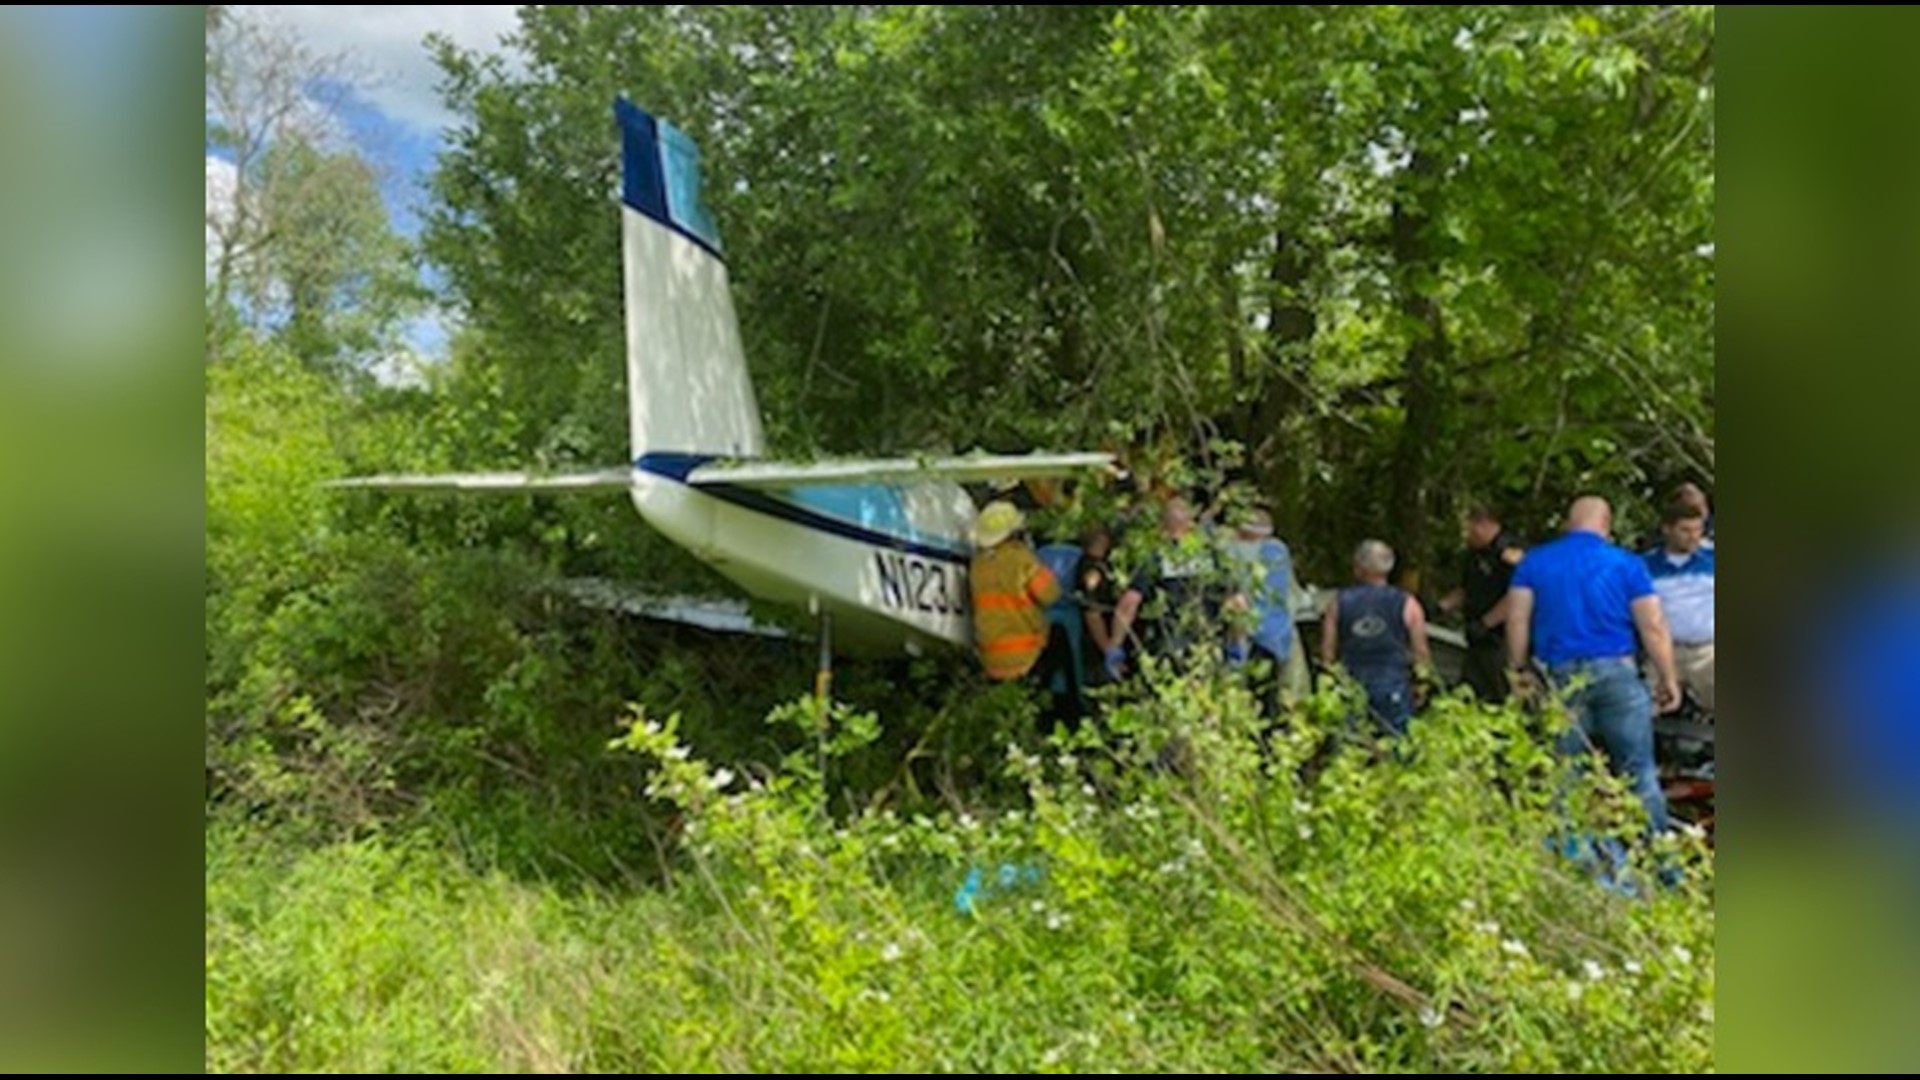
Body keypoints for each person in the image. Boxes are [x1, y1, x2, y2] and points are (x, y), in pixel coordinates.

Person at [1506, 495, 1680, 837]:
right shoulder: (1628, 565)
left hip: (1561, 677)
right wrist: (1668, 677)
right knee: (1638, 771)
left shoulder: (1534, 563)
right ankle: (1659, 861)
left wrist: (1517, 669)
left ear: (1570, 523)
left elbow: (1516, 620)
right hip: (1618, 671)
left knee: (1565, 771)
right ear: (1607, 525)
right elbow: (1653, 626)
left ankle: (1574, 857)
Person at [1319, 540, 1433, 737]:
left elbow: (1327, 650)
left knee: (1352, 747)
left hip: (1352, 683)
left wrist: (1330, 680)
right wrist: (1422, 683)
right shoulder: (1408, 603)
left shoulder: (1338, 602)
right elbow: (1420, 651)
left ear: (1359, 568)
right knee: (1398, 747)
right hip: (1393, 685)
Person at [1106, 495, 1219, 679]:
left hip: (1165, 646)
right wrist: (1236, 646)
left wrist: (1115, 644)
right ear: (1191, 524)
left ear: (1162, 526)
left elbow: (1129, 603)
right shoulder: (1210, 557)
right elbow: (1237, 602)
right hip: (1205, 647)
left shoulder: (1156, 557)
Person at [968, 501, 1063, 685]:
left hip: (991, 659)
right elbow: (1050, 595)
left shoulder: (978, 564)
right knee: (1060, 637)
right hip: (1026, 654)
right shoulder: (1021, 559)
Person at [1440, 506, 1526, 703]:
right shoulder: (1475, 554)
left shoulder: (1510, 553)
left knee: (1502, 695)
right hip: (1477, 640)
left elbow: (1517, 597)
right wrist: (1442, 606)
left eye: (1470, 529)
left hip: (1500, 640)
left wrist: (1487, 623)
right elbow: (1466, 589)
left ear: (1484, 525)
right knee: (1469, 694)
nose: (1467, 535)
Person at [1644, 497, 1714, 713]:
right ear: (1667, 529)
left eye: (1698, 530)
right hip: (1663, 653)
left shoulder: (1713, 559)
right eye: (1685, 530)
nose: (1693, 536)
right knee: (1642, 708)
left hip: (1707, 652)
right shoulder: (1645, 565)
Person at [1223, 507, 1295, 716]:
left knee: (1248, 701)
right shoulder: (1280, 550)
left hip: (1251, 637)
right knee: (1270, 699)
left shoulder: (1236, 553)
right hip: (1278, 635)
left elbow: (1237, 602)